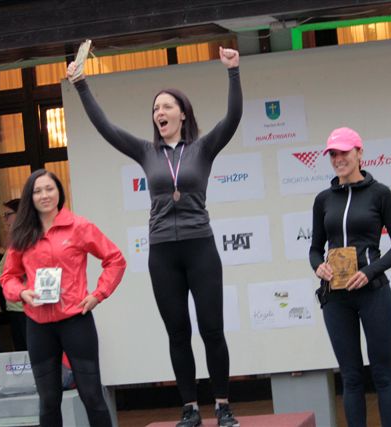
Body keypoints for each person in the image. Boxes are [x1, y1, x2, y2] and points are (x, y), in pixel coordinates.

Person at [67, 46, 242, 427]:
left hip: (200, 247)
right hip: (162, 252)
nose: (159, 113)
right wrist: (81, 85)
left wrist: (232, 71)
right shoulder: (146, 152)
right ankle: (190, 408)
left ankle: (223, 405)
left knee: (212, 330)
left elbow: (232, 118)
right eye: (154, 109)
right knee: (177, 333)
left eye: (166, 106)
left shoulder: (203, 148)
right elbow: (106, 128)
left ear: (182, 113)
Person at [1, 169, 126, 427]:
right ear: (30, 197)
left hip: (76, 320)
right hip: (38, 324)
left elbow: (115, 259)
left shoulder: (79, 226)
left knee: (91, 395)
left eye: (49, 189)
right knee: (48, 400)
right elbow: (8, 277)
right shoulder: (22, 233)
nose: (44, 195)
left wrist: (98, 294)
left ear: (59, 192)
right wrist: (22, 292)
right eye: (37, 191)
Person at [309, 127, 391, 427]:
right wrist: (318, 266)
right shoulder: (323, 199)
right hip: (336, 299)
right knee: (350, 378)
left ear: (360, 152)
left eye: (344, 152)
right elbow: (314, 249)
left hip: (373, 293)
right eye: (333, 154)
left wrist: (369, 271)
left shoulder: (380, 194)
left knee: (382, 374)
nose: (338, 159)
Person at [0, 198, 28, 351]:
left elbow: (4, 273)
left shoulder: (27, 240)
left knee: (30, 354)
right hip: (15, 307)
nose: (5, 220)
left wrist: (1, 276)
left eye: (8, 215)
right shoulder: (15, 241)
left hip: (25, 308)